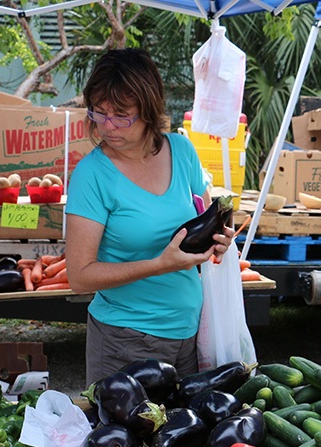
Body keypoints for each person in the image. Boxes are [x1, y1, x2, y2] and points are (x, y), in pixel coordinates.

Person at [65, 48, 234, 385]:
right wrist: (159, 264)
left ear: (149, 109)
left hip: (190, 332)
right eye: (99, 112)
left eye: (122, 115)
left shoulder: (182, 152)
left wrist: (220, 240)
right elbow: (79, 277)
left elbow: (203, 219)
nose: (108, 126)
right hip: (124, 340)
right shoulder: (91, 175)